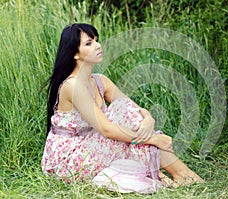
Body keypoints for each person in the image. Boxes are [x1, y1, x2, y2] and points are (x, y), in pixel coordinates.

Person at [41, 23, 204, 193]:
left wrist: (148, 119)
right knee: (128, 134)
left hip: (92, 143)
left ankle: (181, 175)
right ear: (75, 53)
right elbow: (107, 130)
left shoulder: (99, 80)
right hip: (69, 158)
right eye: (89, 43)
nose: (98, 46)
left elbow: (132, 108)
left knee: (124, 111)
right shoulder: (73, 85)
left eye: (97, 40)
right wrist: (153, 139)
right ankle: (182, 174)